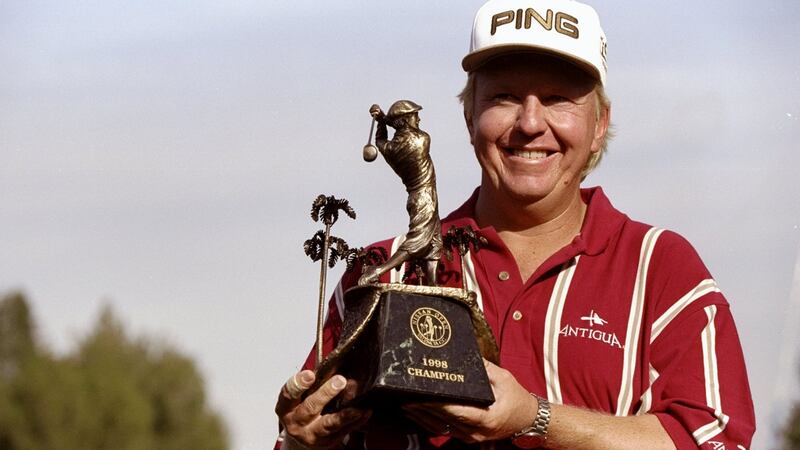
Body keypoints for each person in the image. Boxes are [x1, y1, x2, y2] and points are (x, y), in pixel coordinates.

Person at [275, 0, 756, 448]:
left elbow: (714, 439)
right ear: (469, 116)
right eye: (504, 97)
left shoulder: (662, 268)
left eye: (557, 98)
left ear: (599, 124)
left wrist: (536, 416)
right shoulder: (380, 270)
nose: (530, 122)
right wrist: (300, 440)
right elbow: (303, 428)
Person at [358, 101, 443, 286]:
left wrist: (381, 121)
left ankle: (433, 283)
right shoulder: (420, 140)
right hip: (424, 198)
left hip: (418, 197)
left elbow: (380, 140)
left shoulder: (390, 149)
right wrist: (384, 119)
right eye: (414, 116)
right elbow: (406, 130)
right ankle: (379, 270)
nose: (418, 119)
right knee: (417, 241)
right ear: (404, 121)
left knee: (434, 243)